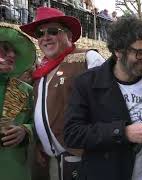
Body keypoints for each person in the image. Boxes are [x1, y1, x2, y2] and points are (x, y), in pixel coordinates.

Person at [64, 16, 142, 180]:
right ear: (118, 50)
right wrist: (122, 132)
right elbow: (72, 134)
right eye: (139, 53)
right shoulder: (87, 83)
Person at [20, 7, 105, 180]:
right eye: (39, 33)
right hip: (48, 160)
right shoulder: (40, 73)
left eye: (52, 31)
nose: (45, 37)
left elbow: (107, 106)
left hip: (82, 158)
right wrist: (39, 144)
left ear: (69, 36)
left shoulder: (88, 58)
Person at [0, 25, 36, 180]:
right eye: (5, 49)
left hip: (14, 172)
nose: (12, 55)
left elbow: (42, 123)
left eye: (14, 51)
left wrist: (25, 130)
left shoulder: (25, 90)